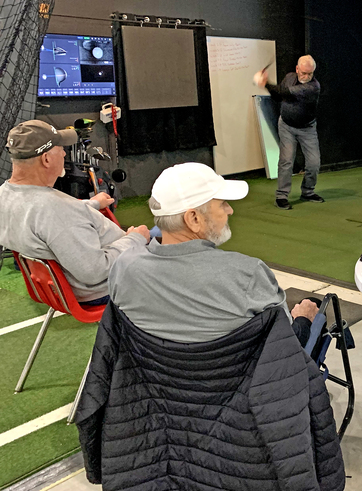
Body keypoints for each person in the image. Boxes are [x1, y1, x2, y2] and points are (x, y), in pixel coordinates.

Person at [108, 162, 319, 345]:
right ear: (194, 219)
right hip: (239, 388)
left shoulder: (123, 266)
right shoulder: (247, 273)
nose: (230, 210)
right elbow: (288, 345)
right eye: (223, 204)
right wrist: (304, 319)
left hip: (154, 386)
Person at [0, 120, 150, 304]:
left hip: (57, 289)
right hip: (108, 283)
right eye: (60, 148)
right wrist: (135, 239)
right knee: (169, 239)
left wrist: (90, 204)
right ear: (46, 159)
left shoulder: (5, 195)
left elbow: (49, 218)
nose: (64, 153)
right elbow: (95, 270)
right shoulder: (54, 209)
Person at [255, 55, 324, 210]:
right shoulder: (289, 77)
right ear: (297, 69)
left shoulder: (313, 87)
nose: (306, 77)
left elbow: (285, 93)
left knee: (313, 163)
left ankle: (308, 191)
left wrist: (265, 82)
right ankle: (281, 196)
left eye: (310, 74)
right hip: (286, 125)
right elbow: (278, 95)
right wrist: (268, 86)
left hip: (307, 128)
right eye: (304, 73)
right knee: (286, 161)